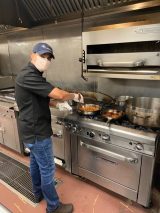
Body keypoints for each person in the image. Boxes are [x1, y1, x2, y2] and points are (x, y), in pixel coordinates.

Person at [15, 42, 84, 213]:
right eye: (42, 56)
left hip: (30, 131)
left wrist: (57, 104)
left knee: (35, 164)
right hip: (37, 133)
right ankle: (53, 207)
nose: (45, 60)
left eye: (48, 58)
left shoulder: (33, 75)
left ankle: (37, 193)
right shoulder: (28, 75)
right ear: (33, 55)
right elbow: (59, 93)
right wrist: (74, 96)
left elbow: (40, 98)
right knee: (47, 169)